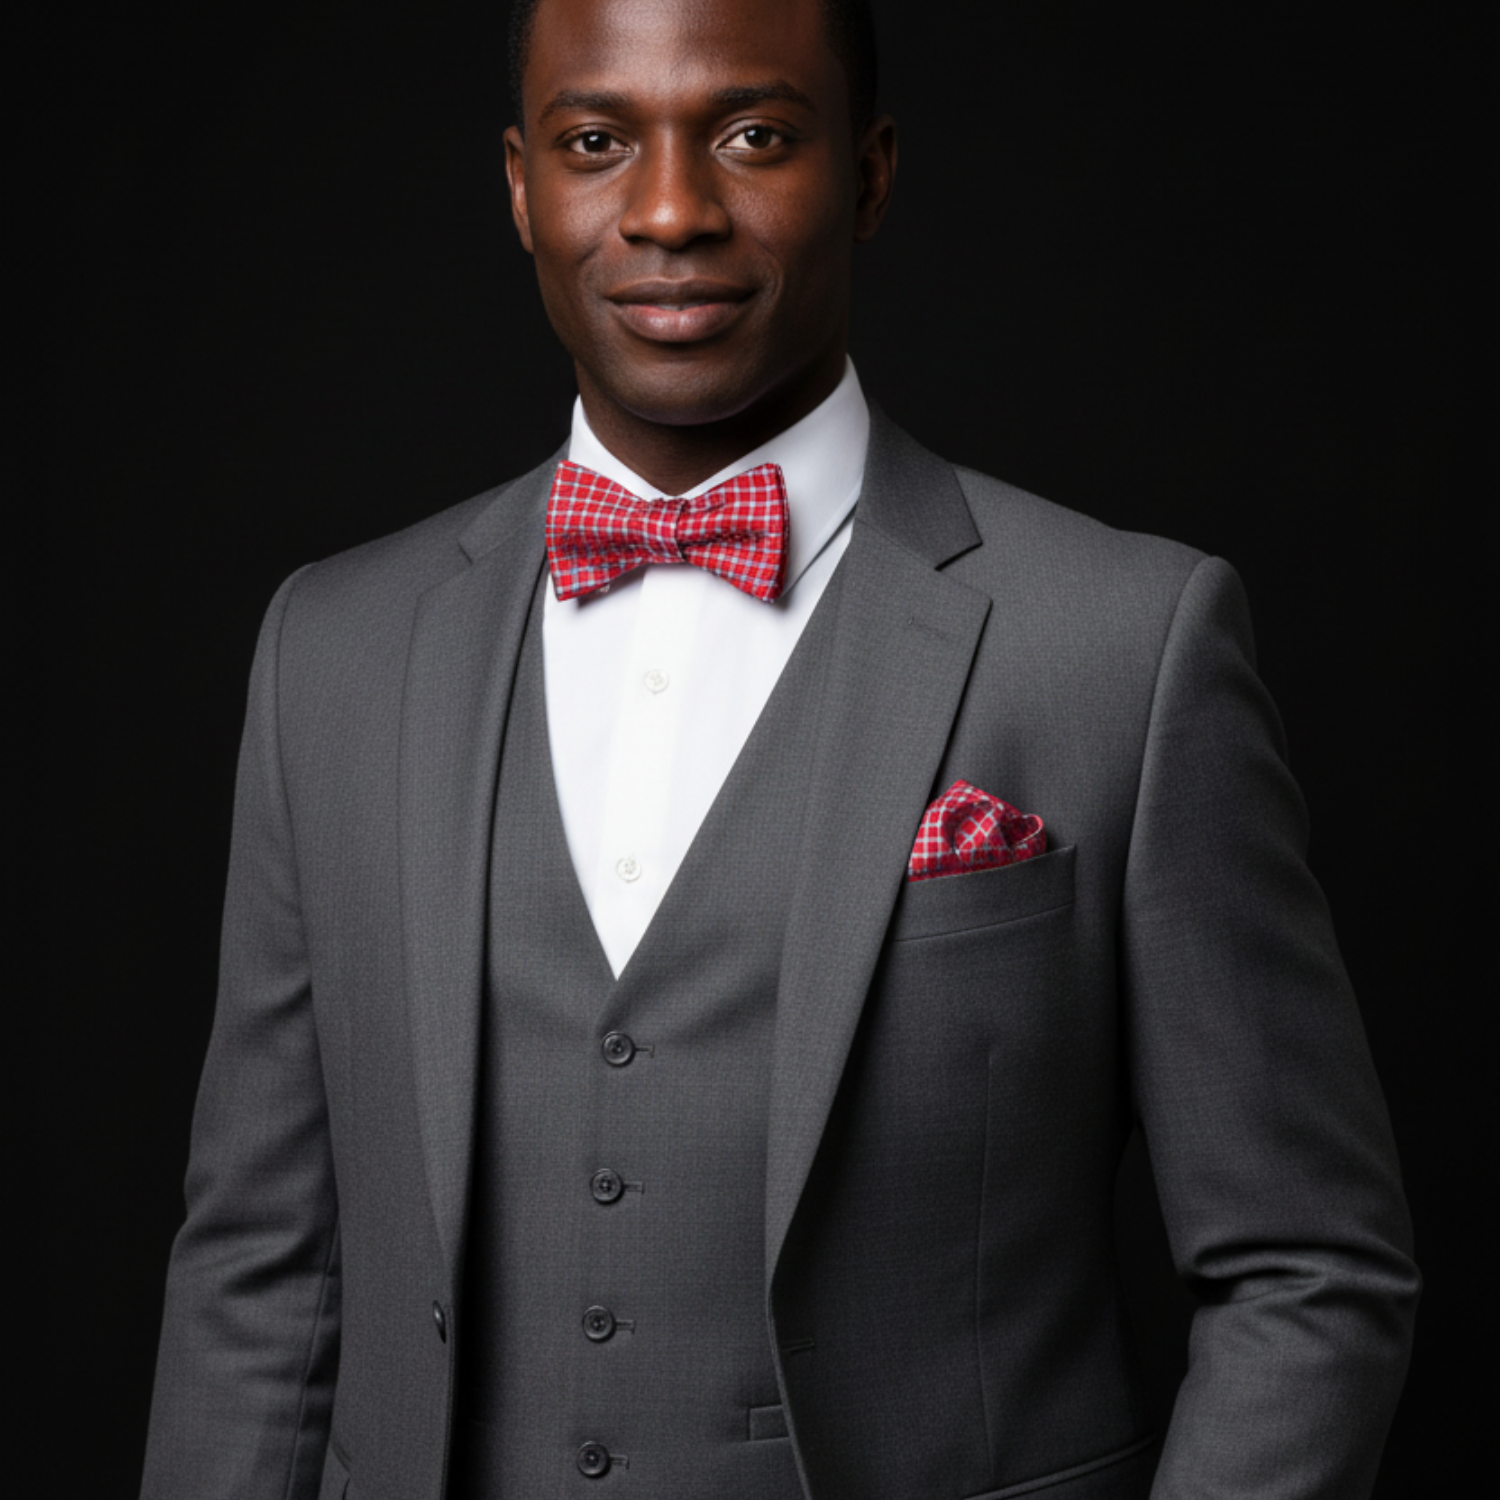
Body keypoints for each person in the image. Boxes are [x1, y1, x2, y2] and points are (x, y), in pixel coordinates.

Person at [140, 0, 1419, 1496]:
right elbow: (260, 1276)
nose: (673, 212)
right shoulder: (334, 653)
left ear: (870, 174)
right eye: (598, 142)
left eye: (753, 136)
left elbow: (1309, 1273)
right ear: (518, 187)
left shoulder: (1125, 646)